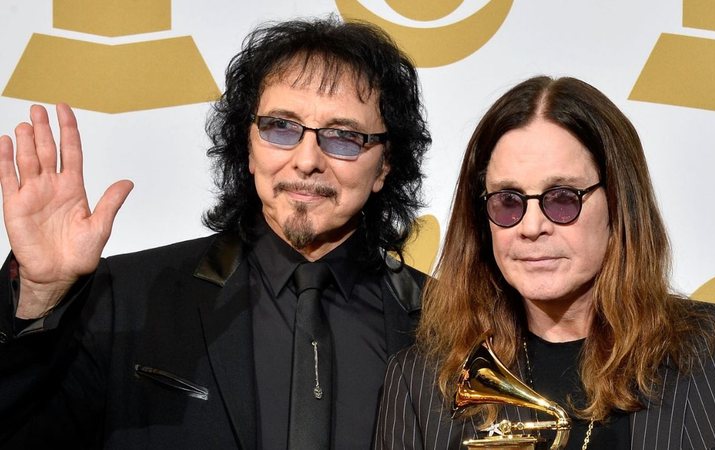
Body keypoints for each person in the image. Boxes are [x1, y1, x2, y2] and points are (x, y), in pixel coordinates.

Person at [0, 16, 431, 450]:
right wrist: (39, 295)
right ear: (247, 146)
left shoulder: (445, 323)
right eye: (280, 127)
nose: (306, 160)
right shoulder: (128, 295)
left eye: (343, 136)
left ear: (385, 165)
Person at [374, 76, 715, 449]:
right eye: (508, 201)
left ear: (618, 203)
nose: (532, 226)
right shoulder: (421, 382)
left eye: (563, 198)